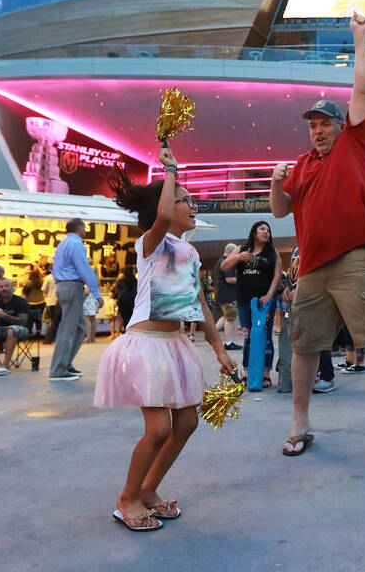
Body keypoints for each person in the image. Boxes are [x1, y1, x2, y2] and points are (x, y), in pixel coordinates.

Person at [270, 12, 365, 456]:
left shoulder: (356, 141)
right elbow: (280, 212)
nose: (317, 131)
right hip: (313, 266)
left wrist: (359, 37)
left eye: (324, 124)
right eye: (311, 126)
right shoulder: (300, 165)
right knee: (304, 344)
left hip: (359, 257)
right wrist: (277, 182)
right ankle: (299, 423)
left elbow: (361, 89)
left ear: (341, 126)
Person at [96, 146, 237, 531]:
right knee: (158, 429)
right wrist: (170, 169)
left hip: (176, 345)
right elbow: (160, 215)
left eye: (192, 201)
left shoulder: (189, 252)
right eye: (183, 200)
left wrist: (219, 349)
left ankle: (148, 491)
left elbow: (200, 303)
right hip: (145, 345)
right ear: (165, 206)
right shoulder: (150, 244)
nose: (192, 206)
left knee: (187, 424)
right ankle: (126, 498)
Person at [220, 221, 283, 388]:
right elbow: (224, 266)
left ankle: (265, 373)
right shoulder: (241, 249)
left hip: (264, 301)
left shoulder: (273, 252)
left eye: (268, 230)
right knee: (248, 336)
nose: (266, 232)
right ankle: (249, 372)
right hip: (244, 300)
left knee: (264, 335)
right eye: (262, 229)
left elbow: (277, 276)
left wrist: (269, 296)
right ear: (254, 232)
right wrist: (238, 257)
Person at [49, 219, 103, 381]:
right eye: (84, 228)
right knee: (68, 329)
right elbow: (84, 268)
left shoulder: (63, 244)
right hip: (72, 287)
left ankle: (65, 363)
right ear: (80, 228)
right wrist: (96, 293)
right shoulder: (76, 244)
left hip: (64, 286)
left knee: (80, 327)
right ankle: (58, 369)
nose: (85, 230)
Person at [212, 244, 241, 350]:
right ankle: (228, 343)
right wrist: (242, 280)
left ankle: (211, 335)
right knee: (230, 318)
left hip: (222, 293)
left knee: (226, 317)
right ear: (230, 252)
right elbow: (229, 279)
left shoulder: (220, 261)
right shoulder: (227, 263)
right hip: (227, 294)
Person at [41, 264, 60, 344]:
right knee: (58, 321)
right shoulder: (62, 277)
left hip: (50, 301)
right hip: (59, 301)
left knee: (52, 320)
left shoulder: (48, 278)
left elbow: (44, 289)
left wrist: (46, 297)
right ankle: (56, 336)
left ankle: (49, 337)